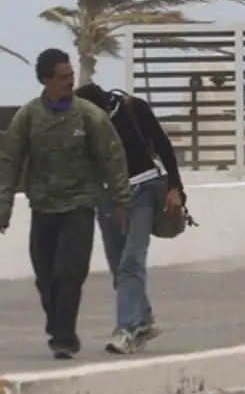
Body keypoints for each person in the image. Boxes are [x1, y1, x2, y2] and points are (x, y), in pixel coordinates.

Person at [0, 48, 131, 360]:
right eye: (62, 78)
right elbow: (8, 161)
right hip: (43, 207)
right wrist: (3, 208)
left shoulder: (89, 115)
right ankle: (59, 326)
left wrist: (121, 201)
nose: (69, 82)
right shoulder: (28, 116)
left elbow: (113, 158)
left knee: (70, 272)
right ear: (46, 81)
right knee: (46, 277)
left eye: (70, 76)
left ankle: (64, 338)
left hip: (79, 206)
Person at [74, 82, 184, 355]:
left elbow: (163, 145)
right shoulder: (83, 126)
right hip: (108, 198)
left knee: (131, 261)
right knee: (118, 266)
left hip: (144, 190)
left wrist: (175, 188)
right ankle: (144, 321)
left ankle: (126, 330)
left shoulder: (134, 109)